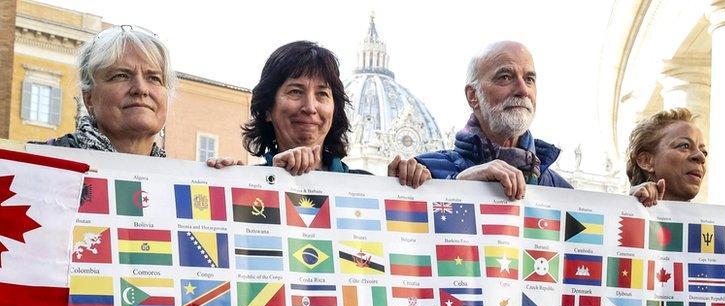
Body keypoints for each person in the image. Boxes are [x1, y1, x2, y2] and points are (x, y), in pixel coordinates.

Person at [209, 41, 429, 187]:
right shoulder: (245, 183)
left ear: (334, 110)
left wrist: (400, 197)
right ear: (268, 109)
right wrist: (224, 186)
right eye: (295, 91)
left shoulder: (368, 187)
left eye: (322, 94)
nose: (310, 107)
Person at [415, 41, 571, 200]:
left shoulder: (563, 192)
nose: (523, 90)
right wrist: (459, 187)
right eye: (505, 77)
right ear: (473, 96)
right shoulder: (422, 175)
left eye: (529, 79)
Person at [626, 107, 725, 217]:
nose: (700, 157)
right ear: (646, 161)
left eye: (704, 152)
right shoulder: (618, 217)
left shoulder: (709, 232)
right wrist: (629, 207)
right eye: (684, 146)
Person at [40, 25, 172, 156]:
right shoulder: (37, 165)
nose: (141, 89)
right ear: (89, 97)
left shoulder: (181, 176)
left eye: (154, 78)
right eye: (121, 76)